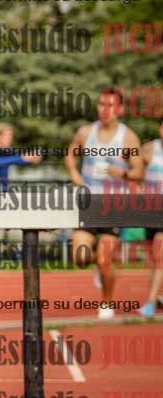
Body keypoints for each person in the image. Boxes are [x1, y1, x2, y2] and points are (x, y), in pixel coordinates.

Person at [65, 90, 144, 319]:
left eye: (110, 105)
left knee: (105, 259)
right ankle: (99, 265)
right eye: (101, 104)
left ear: (120, 109)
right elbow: (70, 155)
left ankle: (107, 304)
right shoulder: (86, 132)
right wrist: (74, 175)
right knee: (80, 258)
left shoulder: (128, 138)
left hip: (113, 206)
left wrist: (123, 173)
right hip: (88, 204)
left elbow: (139, 172)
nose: (104, 109)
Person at [0, 123, 41, 260]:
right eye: (7, 136)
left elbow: (17, 160)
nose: (10, 139)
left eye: (11, 136)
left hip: (4, 192)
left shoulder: (9, 150)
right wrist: (22, 158)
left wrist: (31, 159)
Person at [138, 118, 163, 317]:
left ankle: (150, 302)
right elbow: (135, 172)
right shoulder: (149, 149)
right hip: (150, 210)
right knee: (153, 258)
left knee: (159, 254)